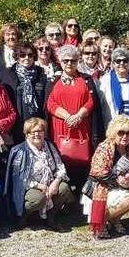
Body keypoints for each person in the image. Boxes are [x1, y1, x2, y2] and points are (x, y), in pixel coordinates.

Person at [46, 45, 100, 188]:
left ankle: (81, 196)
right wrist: (68, 116)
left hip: (81, 126)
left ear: (78, 61)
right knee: (62, 159)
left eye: (73, 60)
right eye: (66, 61)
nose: (69, 64)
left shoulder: (86, 80)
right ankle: (65, 195)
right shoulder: (53, 81)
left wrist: (78, 116)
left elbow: (91, 101)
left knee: (82, 159)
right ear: (60, 61)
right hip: (60, 128)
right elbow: (50, 103)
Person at [5, 117, 75, 228]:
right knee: (38, 199)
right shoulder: (19, 151)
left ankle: (51, 215)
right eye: (33, 132)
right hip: (30, 188)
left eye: (40, 131)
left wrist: (55, 183)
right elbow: (19, 179)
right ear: (27, 134)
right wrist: (40, 186)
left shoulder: (49, 146)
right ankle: (26, 216)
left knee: (64, 188)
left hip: (50, 184)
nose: (37, 134)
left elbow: (60, 166)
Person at [86, 115, 129, 239]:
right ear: (114, 132)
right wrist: (119, 180)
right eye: (121, 133)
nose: (125, 136)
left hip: (120, 186)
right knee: (128, 198)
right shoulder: (105, 147)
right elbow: (98, 172)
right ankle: (99, 223)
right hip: (101, 188)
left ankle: (114, 219)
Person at [8, 42, 49, 142]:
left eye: (30, 55)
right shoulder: (9, 74)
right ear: (17, 57)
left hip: (36, 124)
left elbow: (45, 101)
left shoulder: (41, 74)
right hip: (17, 125)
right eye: (22, 55)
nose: (27, 58)